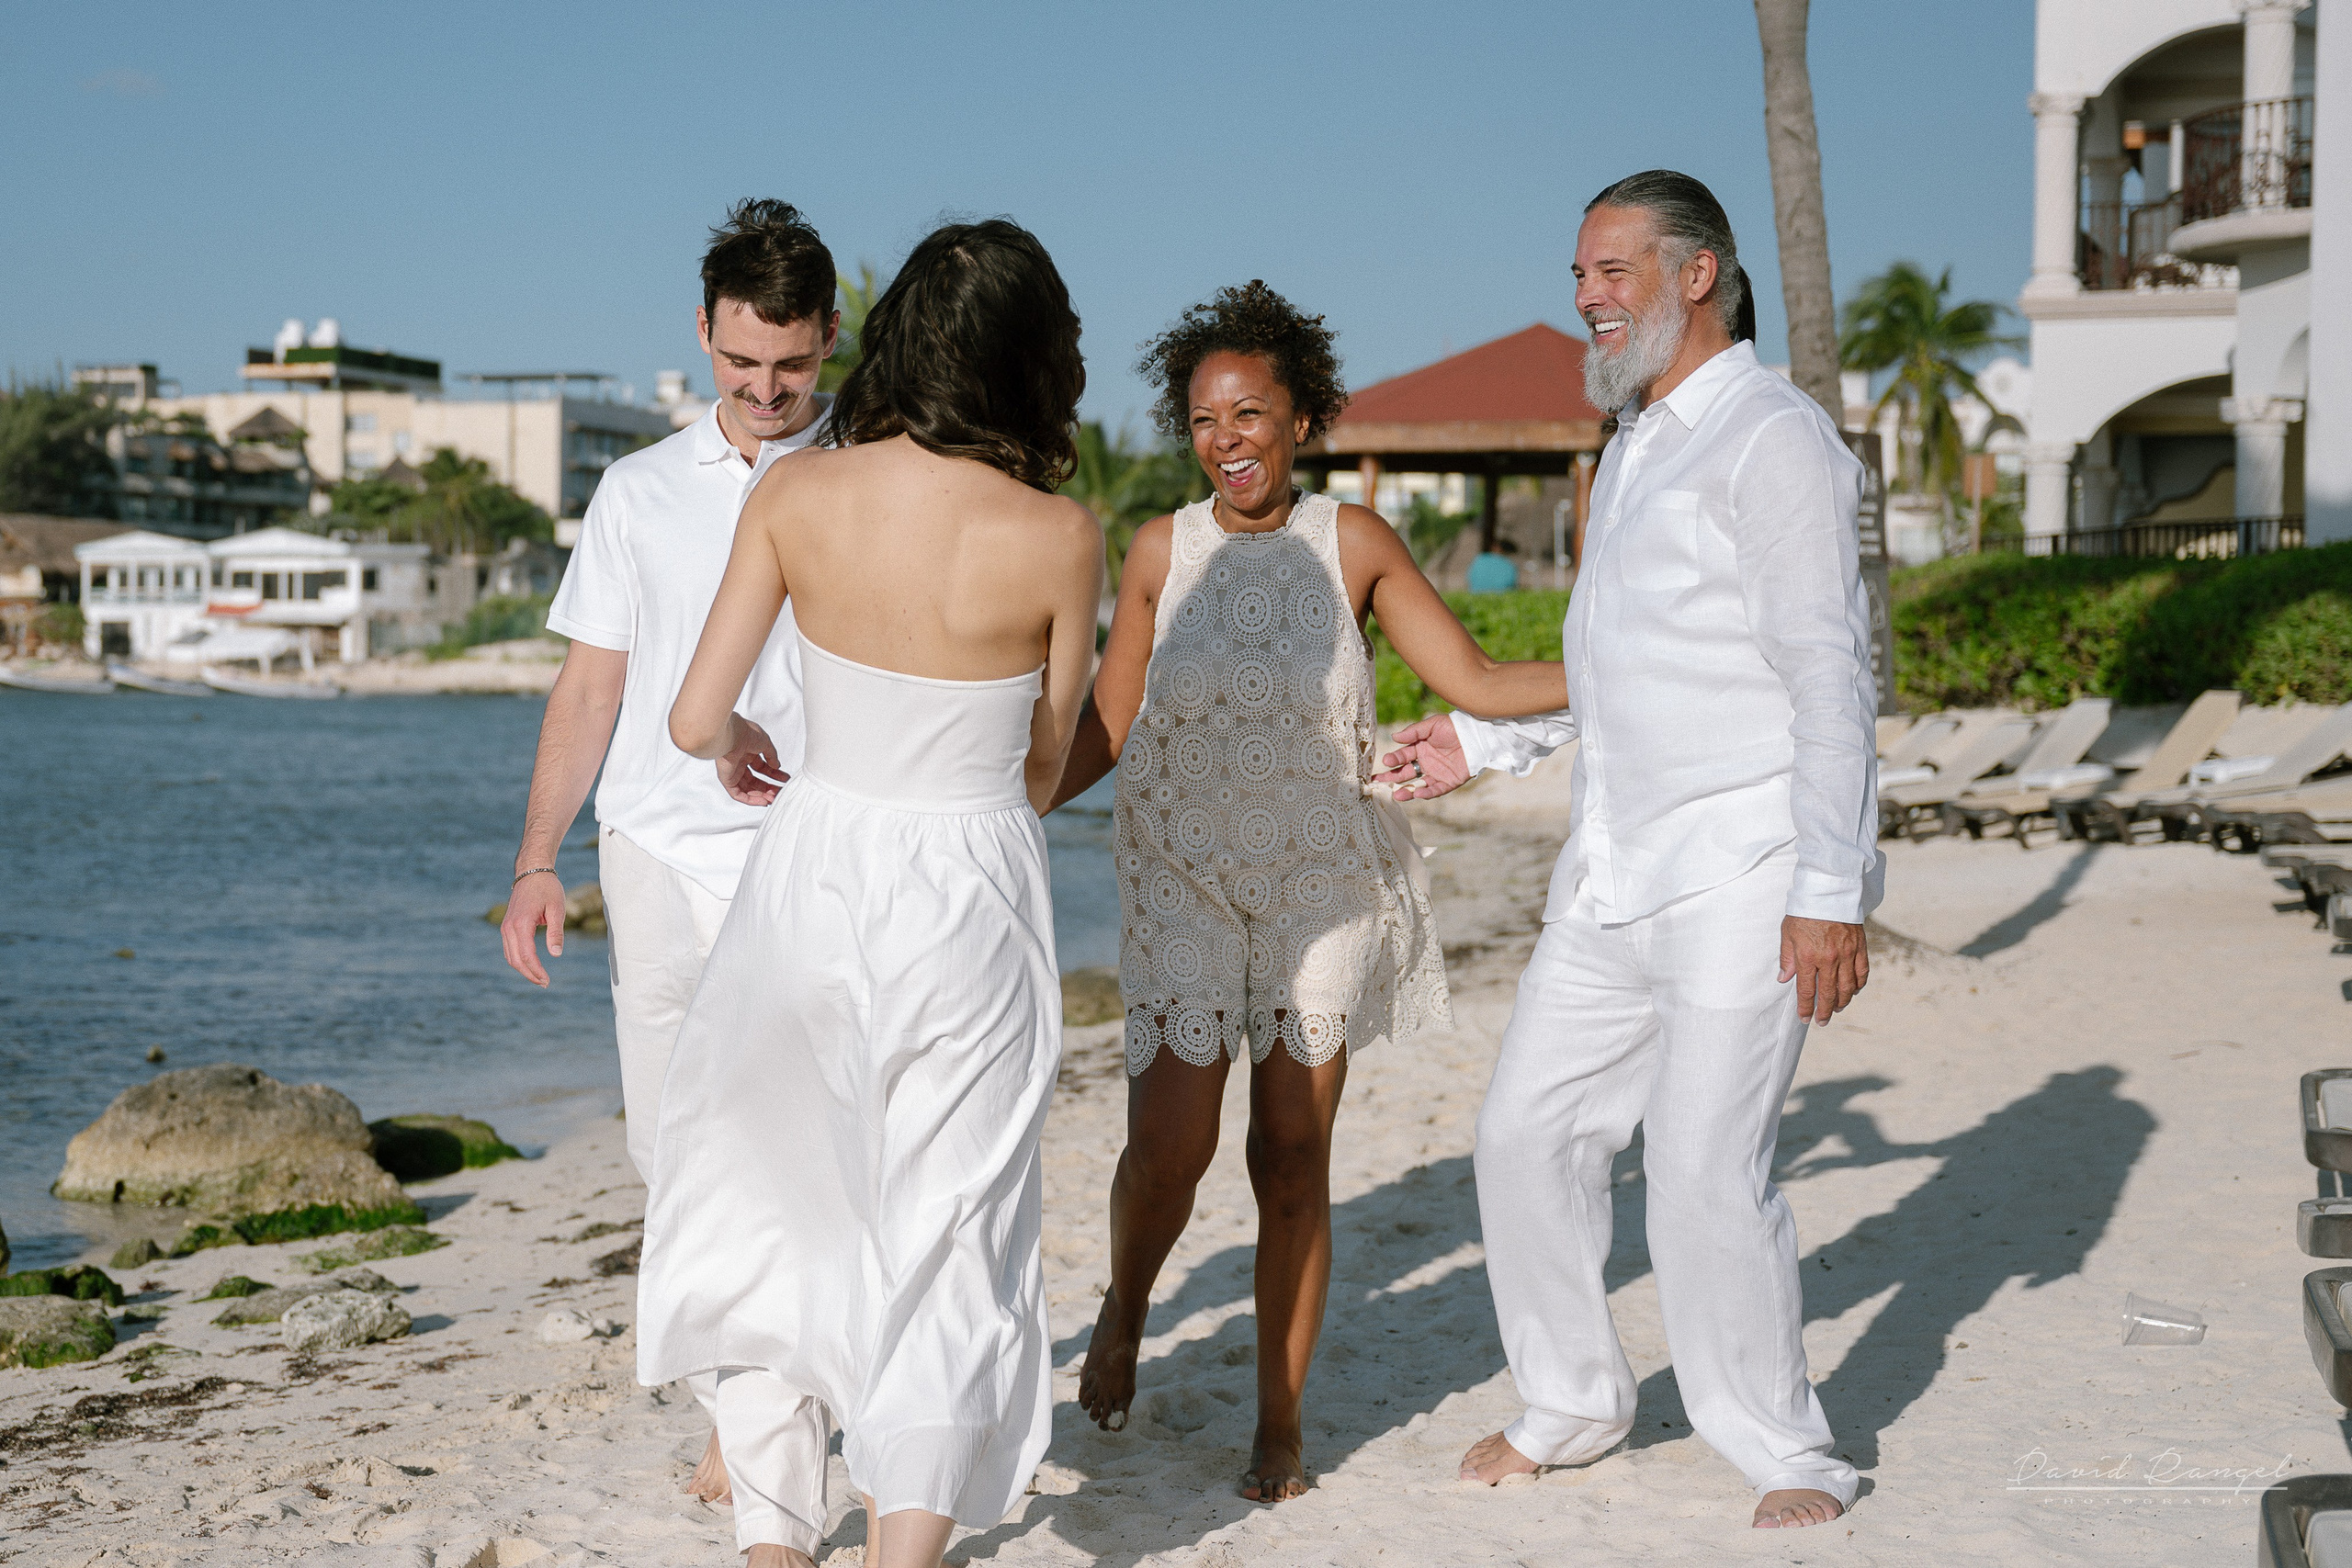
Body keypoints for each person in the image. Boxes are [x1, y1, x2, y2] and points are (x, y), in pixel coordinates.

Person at [1378, 170, 1880, 1531]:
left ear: (1698, 274)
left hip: (1748, 867)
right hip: (1614, 871)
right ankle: (1572, 1402)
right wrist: (1480, 747)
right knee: (1523, 1135)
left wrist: (1831, 891)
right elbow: (1621, 673)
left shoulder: (1772, 439)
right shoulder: (1637, 445)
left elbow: (1829, 675)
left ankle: (1786, 1448)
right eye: (1582, 277)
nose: (1588, 299)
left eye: (1614, 273)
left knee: (1709, 1170)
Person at [1049, 282, 1571, 1503]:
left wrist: (1636, 659)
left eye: (1251, 414)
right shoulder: (1157, 551)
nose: (1228, 440)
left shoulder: (1358, 544)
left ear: (1303, 418)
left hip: (1319, 881)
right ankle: (1126, 1303)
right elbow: (1105, 724)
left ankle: (1279, 1422)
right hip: (1179, 872)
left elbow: (1483, 683)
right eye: (1204, 420)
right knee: (1169, 1150)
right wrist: (978, 799)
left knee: (1290, 1154)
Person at [636, 219, 1102, 1568]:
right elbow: (1048, 756)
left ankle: (777, 1539)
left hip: (813, 871)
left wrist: (745, 749)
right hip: (969, 884)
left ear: (888, 335)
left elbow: (690, 718)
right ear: (1032, 360)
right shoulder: (1062, 536)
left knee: (776, 1200)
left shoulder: (796, 495)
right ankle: (905, 1552)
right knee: (951, 1225)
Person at [498, 197, 840, 1507]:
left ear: (828, 344)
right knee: (671, 1155)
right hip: (650, 856)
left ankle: (771, 1426)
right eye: (742, 362)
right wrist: (539, 861)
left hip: (810, 857)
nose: (764, 390)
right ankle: (747, 1401)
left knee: (799, 1148)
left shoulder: (864, 476)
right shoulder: (636, 491)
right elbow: (590, 690)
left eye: (792, 366)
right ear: (702, 333)